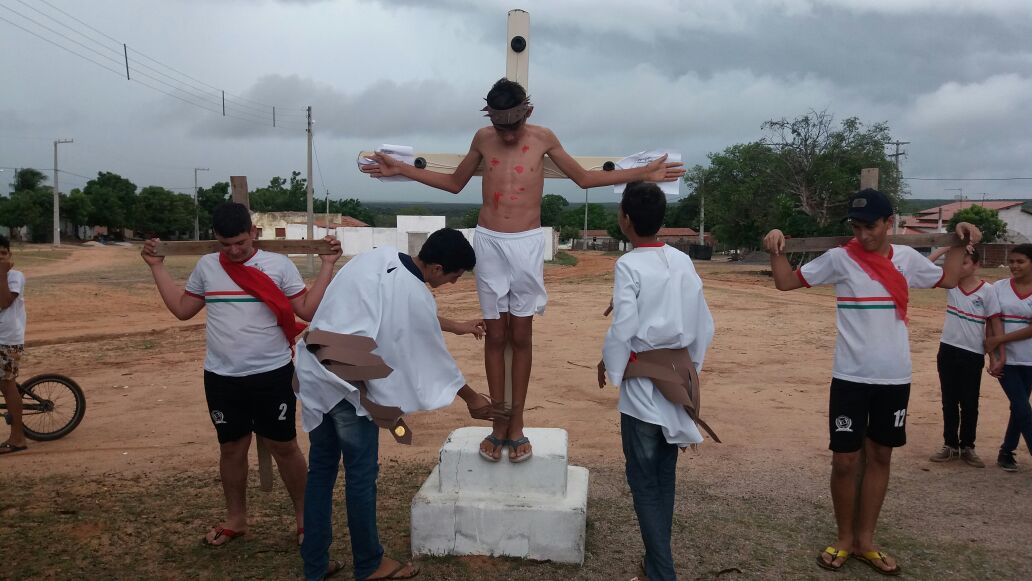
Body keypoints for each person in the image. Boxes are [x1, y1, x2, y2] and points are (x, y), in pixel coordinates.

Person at [360, 78, 685, 462]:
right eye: (501, 127)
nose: (508, 135)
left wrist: (643, 173)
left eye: (513, 126)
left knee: (522, 335)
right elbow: (453, 182)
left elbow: (584, 178)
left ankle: (517, 425)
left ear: (527, 113)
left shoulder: (544, 138)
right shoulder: (483, 138)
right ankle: (497, 425)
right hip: (491, 242)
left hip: (527, 243)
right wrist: (399, 168)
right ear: (491, 120)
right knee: (495, 337)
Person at [763, 188, 981, 576]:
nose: (864, 235)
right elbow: (785, 283)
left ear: (888, 222)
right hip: (849, 375)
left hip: (894, 377)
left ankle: (866, 540)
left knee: (881, 456)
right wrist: (775, 246)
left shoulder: (908, 260)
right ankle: (844, 538)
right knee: (844, 461)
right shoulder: (839, 260)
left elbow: (948, 278)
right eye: (857, 227)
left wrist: (958, 239)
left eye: (872, 227)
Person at [295, 228, 507, 581]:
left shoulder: (378, 256)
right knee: (361, 478)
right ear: (437, 268)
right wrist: (472, 399)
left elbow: (402, 311)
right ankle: (369, 564)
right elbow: (432, 359)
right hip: (346, 383)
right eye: (455, 276)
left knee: (321, 474)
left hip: (314, 373)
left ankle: (314, 567)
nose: (454, 283)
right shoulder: (416, 296)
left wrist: (454, 326)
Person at [141, 202, 342, 546]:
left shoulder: (278, 265)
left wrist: (327, 266)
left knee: (285, 446)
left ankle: (305, 519)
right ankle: (237, 519)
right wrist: (156, 267)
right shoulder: (207, 267)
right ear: (215, 239)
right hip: (221, 377)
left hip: (271, 373)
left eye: (241, 243)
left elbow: (306, 308)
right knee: (232, 448)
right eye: (225, 244)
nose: (233, 251)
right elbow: (182, 310)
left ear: (253, 233)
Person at [597, 182, 714, 581]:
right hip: (679, 380)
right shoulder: (682, 261)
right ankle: (655, 566)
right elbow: (703, 323)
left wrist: (615, 372)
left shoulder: (628, 265)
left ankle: (662, 572)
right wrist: (687, 369)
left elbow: (623, 328)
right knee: (664, 478)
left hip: (644, 387)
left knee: (645, 482)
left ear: (624, 220)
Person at [925, 247, 1002, 467]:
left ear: (977, 265)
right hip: (948, 350)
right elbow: (926, 267)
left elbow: (994, 324)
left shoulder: (987, 291)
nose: (960, 267)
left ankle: (968, 446)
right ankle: (950, 445)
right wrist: (946, 248)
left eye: (965, 263)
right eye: (959, 263)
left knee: (969, 403)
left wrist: (996, 355)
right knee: (948, 401)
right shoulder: (951, 285)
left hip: (973, 353)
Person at [982, 243, 1032, 472]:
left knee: (1018, 407)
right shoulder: (999, 288)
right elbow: (991, 323)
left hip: (1029, 361)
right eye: (1012, 261)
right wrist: (994, 356)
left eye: (1020, 261)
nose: (1014, 266)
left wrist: (1000, 340)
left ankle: (1006, 452)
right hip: (1007, 361)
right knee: (1022, 406)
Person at [0, 235, 28, 455]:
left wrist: (1, 273)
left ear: (10, 256)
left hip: (7, 340)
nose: (0, 258)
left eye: (3, 253)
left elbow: (4, 302)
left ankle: (18, 438)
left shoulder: (14, 276)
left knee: (7, 384)